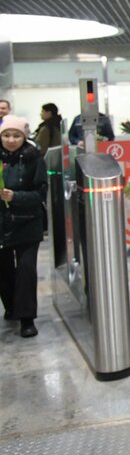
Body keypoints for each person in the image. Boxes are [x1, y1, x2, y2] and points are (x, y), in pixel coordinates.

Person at [0, 115, 48, 338]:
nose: (11, 140)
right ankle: (11, 307)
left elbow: (41, 193)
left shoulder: (34, 158)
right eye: (6, 135)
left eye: (16, 135)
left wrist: (15, 196)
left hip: (28, 221)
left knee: (26, 271)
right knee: (4, 270)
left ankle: (27, 319)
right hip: (2, 223)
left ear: (24, 136)